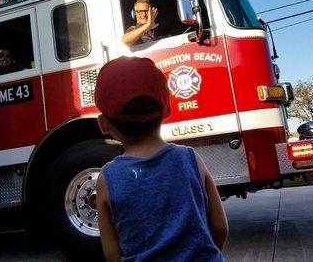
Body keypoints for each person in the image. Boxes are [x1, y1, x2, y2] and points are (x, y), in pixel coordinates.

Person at [95, 56, 228, 261]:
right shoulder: (190, 159)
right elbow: (220, 229)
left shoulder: (107, 179)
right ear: (167, 109)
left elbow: (112, 254)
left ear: (103, 124)